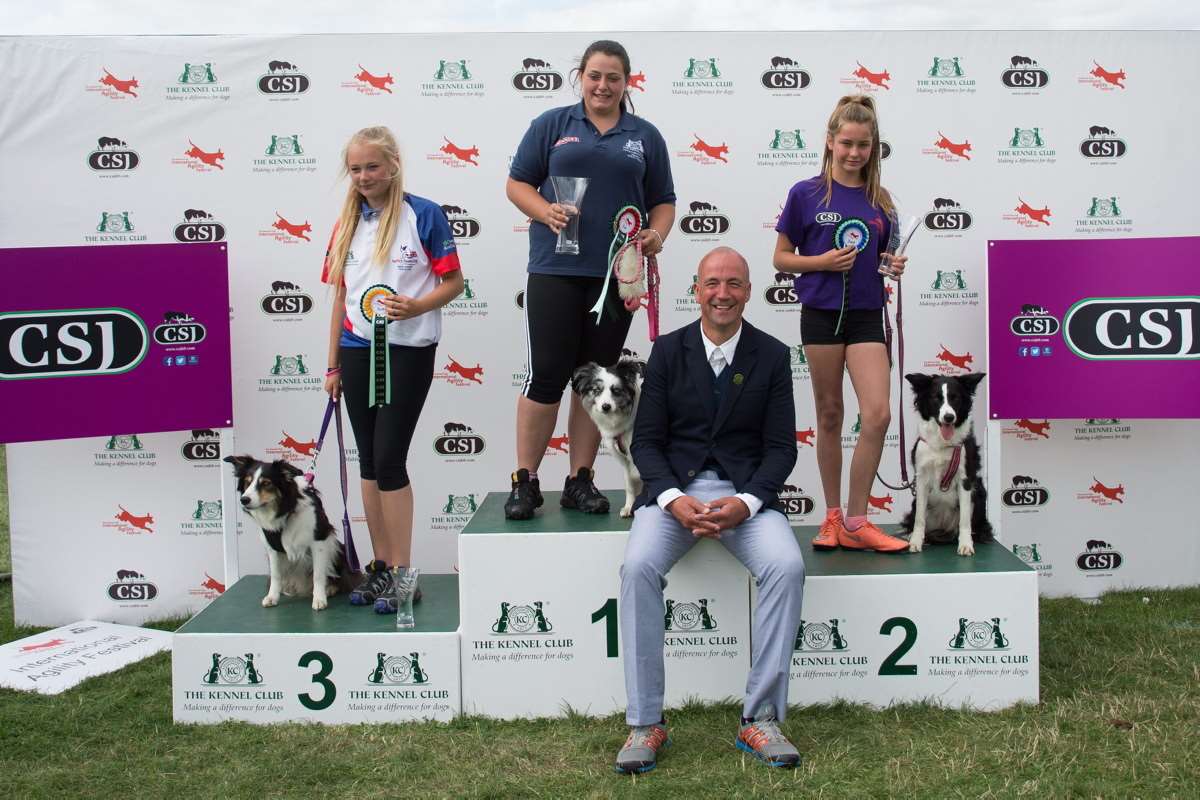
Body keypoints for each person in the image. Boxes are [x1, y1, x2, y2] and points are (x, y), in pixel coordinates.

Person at [615, 247, 805, 774]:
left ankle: (760, 718)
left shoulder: (771, 354)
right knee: (636, 567)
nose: (723, 294)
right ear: (696, 290)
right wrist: (674, 501)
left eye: (735, 284)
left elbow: (781, 448)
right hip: (676, 493)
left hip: (743, 495)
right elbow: (647, 444)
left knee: (786, 567)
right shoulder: (668, 350)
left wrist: (745, 505)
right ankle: (645, 721)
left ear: (748, 291)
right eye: (713, 283)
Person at [504, 39, 676, 520]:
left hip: (617, 278)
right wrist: (546, 211)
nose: (603, 85)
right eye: (595, 75)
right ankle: (525, 480)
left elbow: (663, 200)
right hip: (556, 270)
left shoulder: (645, 136)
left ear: (627, 83)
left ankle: (581, 480)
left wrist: (656, 235)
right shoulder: (552, 125)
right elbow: (516, 183)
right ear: (581, 76)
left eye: (614, 78)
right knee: (547, 376)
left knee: (596, 379)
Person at [320, 126, 465, 612]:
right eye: (356, 168)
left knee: (390, 458)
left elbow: (454, 283)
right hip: (356, 350)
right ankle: (381, 568)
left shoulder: (423, 214)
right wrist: (332, 365)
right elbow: (341, 297)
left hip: (406, 351)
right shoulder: (346, 221)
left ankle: (405, 573)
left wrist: (416, 306)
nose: (364, 176)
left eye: (372, 167)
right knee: (368, 460)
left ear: (393, 166)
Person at [772, 95, 909, 554]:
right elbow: (781, 257)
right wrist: (823, 262)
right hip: (822, 314)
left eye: (864, 145)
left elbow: (883, 257)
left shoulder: (881, 200)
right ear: (830, 142)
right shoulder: (805, 193)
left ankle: (856, 519)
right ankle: (831, 517)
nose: (855, 153)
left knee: (878, 413)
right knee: (830, 415)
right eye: (847, 143)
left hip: (868, 315)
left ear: (874, 148)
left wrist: (893, 264)